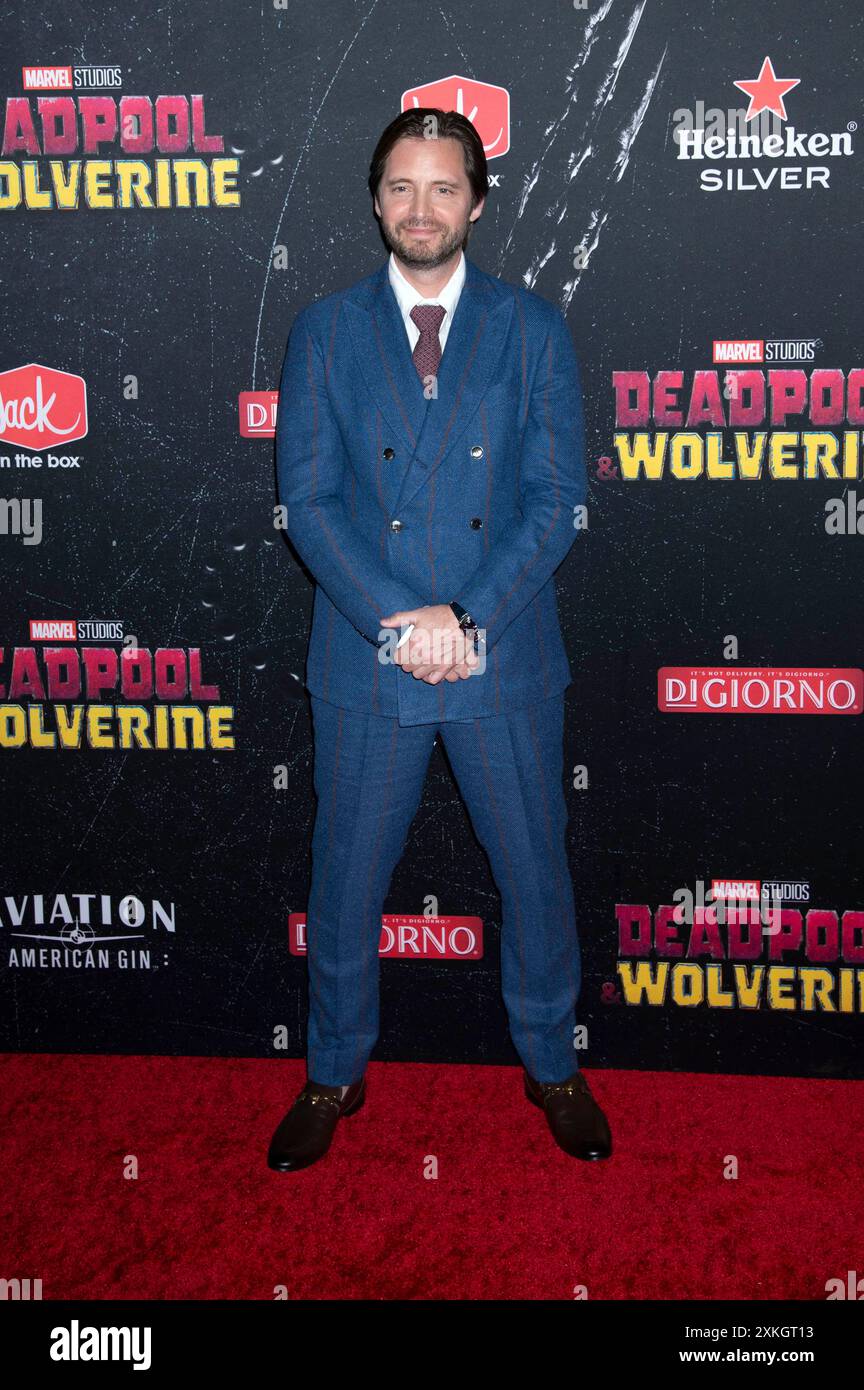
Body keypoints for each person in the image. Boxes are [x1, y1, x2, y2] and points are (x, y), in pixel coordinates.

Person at [269, 106, 611, 1171]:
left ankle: (552, 1061)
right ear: (377, 200)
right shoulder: (324, 332)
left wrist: (465, 619)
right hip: (370, 660)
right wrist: (402, 623)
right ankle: (333, 1070)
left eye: (445, 188)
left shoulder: (533, 330)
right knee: (343, 877)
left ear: (477, 200)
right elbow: (310, 505)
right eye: (404, 188)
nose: (424, 209)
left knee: (535, 872)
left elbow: (556, 504)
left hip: (498, 653)